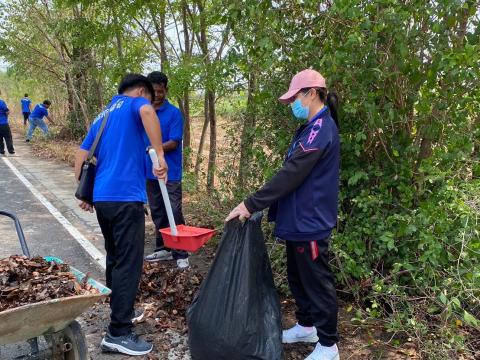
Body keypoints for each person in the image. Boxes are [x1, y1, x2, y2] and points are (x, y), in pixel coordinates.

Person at [226, 69, 341, 360]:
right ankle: (306, 326)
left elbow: (292, 173)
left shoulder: (320, 129)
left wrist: (251, 203)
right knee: (297, 276)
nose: (292, 104)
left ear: (311, 93)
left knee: (316, 280)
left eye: (295, 97)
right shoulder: (308, 127)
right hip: (297, 220)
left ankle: (328, 345)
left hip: (310, 221)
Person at [75, 74, 167, 356]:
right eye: (148, 97)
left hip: (103, 198)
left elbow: (80, 155)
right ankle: (118, 332)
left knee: (115, 257)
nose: (148, 103)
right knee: (129, 262)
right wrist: (160, 155)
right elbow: (148, 110)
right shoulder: (135, 104)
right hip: (126, 196)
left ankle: (120, 309)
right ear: (141, 91)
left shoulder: (101, 115)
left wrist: (85, 192)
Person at [143, 71, 189, 269]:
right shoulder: (144, 112)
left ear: (166, 90)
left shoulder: (174, 113)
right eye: (153, 91)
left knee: (174, 210)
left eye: (160, 91)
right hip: (149, 170)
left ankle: (181, 252)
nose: (157, 95)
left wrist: (156, 148)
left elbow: (175, 141)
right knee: (158, 211)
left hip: (171, 171)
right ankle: (164, 248)